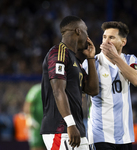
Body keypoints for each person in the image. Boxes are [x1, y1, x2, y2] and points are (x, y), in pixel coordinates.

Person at [82, 21, 137, 150]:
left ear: (123, 42)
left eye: (111, 37)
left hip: (125, 135)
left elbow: (136, 80)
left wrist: (115, 58)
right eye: (104, 37)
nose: (106, 41)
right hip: (100, 134)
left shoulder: (130, 59)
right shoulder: (92, 62)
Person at [40, 15, 99, 150]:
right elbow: (57, 90)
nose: (88, 36)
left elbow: (93, 90)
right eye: (86, 31)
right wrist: (70, 124)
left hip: (75, 129)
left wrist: (90, 59)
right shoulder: (58, 52)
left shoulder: (75, 61)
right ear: (78, 31)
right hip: (61, 129)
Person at [24, 83, 46, 150]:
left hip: (50, 124)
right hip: (37, 125)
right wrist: (29, 119)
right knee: (36, 146)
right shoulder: (36, 89)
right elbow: (28, 104)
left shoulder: (55, 89)